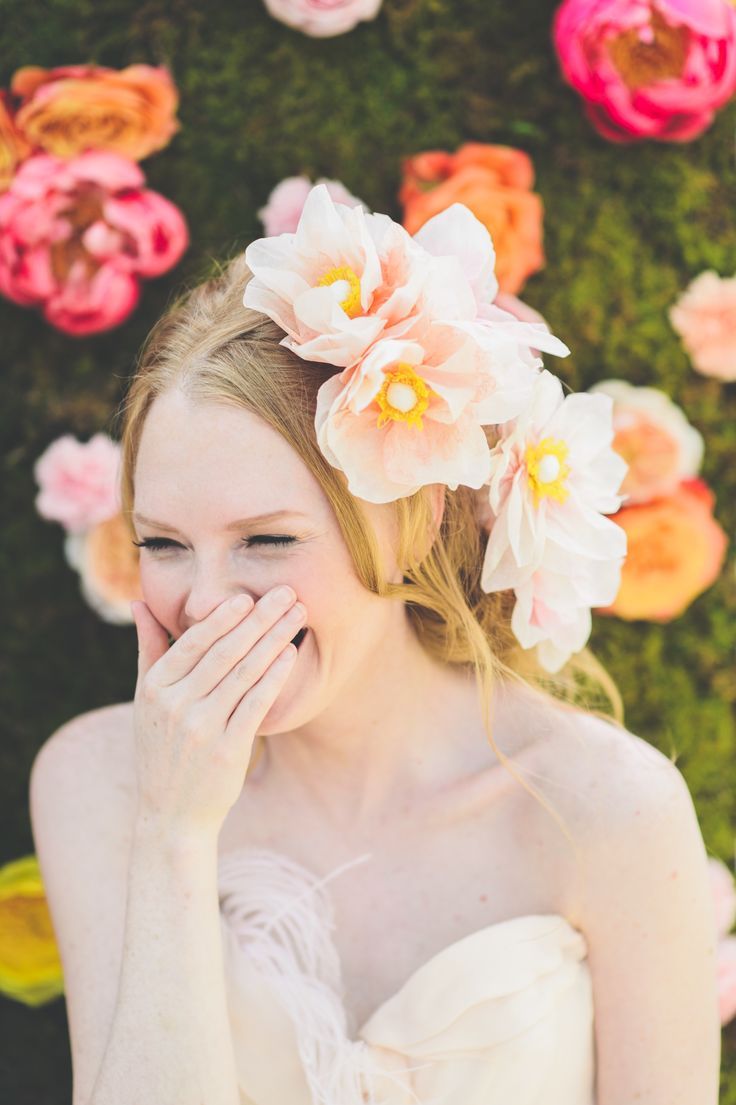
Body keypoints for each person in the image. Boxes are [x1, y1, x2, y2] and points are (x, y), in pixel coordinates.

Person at [29, 187, 721, 1105]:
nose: (201, 603)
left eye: (267, 540)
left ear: (415, 518)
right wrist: (173, 836)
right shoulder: (100, 784)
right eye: (162, 544)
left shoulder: (606, 809)